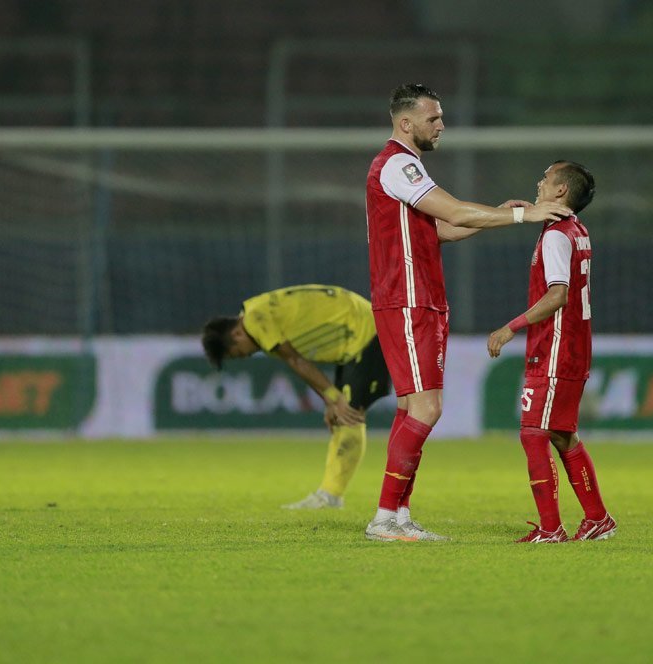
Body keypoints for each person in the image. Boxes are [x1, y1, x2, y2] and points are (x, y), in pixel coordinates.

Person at [363, 83, 574, 542]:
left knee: (410, 408)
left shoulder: (407, 168)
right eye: (433, 118)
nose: (442, 126)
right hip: (408, 297)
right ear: (406, 123)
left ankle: (397, 515)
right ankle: (384, 516)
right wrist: (526, 216)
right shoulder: (398, 164)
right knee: (427, 407)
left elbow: (443, 230)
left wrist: (498, 214)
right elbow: (457, 212)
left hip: (422, 297)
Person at [487, 160, 616, 544]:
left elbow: (557, 295)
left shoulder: (557, 236)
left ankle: (550, 528)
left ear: (561, 191)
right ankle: (598, 519)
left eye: (546, 179)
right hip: (574, 345)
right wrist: (522, 211)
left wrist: (510, 327)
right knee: (562, 434)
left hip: (555, 347)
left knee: (533, 434)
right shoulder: (574, 229)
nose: (539, 182)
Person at [201, 284, 390, 510]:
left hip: (366, 332)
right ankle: (330, 495)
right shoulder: (257, 313)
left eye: (241, 353)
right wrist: (330, 399)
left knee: (349, 415)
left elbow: (296, 361)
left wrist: (332, 397)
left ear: (237, 333)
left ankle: (332, 496)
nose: (248, 355)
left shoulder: (255, 320)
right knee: (342, 417)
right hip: (356, 333)